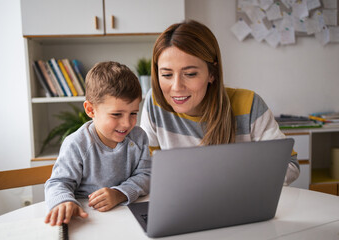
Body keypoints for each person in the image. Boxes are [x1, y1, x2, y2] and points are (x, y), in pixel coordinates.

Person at [140, 20, 299, 185]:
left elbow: (290, 166)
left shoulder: (249, 105)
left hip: (236, 204)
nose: (177, 87)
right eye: (166, 75)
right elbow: (144, 167)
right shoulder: (155, 103)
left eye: (190, 74)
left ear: (212, 73)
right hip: (179, 206)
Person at [44, 61, 151, 226]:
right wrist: (63, 202)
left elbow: (146, 175)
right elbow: (58, 183)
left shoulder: (139, 137)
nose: (127, 123)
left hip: (127, 218)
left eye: (133, 113)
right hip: (89, 219)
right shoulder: (76, 144)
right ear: (90, 110)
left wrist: (119, 193)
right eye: (116, 114)